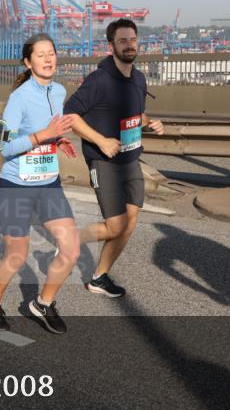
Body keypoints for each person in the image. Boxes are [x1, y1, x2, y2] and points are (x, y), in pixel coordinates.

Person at [0, 33, 80, 334]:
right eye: (40, 55)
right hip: (16, 186)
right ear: (28, 62)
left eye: (51, 53)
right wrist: (42, 136)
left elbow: (48, 129)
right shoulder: (19, 98)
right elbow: (2, 145)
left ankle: (43, 303)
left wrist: (56, 140)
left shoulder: (59, 91)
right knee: (17, 255)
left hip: (48, 183)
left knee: (71, 249)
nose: (48, 59)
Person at [63, 18, 164, 297]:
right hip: (103, 160)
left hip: (130, 159)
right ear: (111, 46)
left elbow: (137, 113)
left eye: (132, 40)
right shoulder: (99, 80)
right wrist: (101, 141)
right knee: (115, 225)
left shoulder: (139, 79)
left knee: (129, 223)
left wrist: (151, 123)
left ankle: (99, 277)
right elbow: (69, 115)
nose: (129, 45)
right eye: (122, 41)